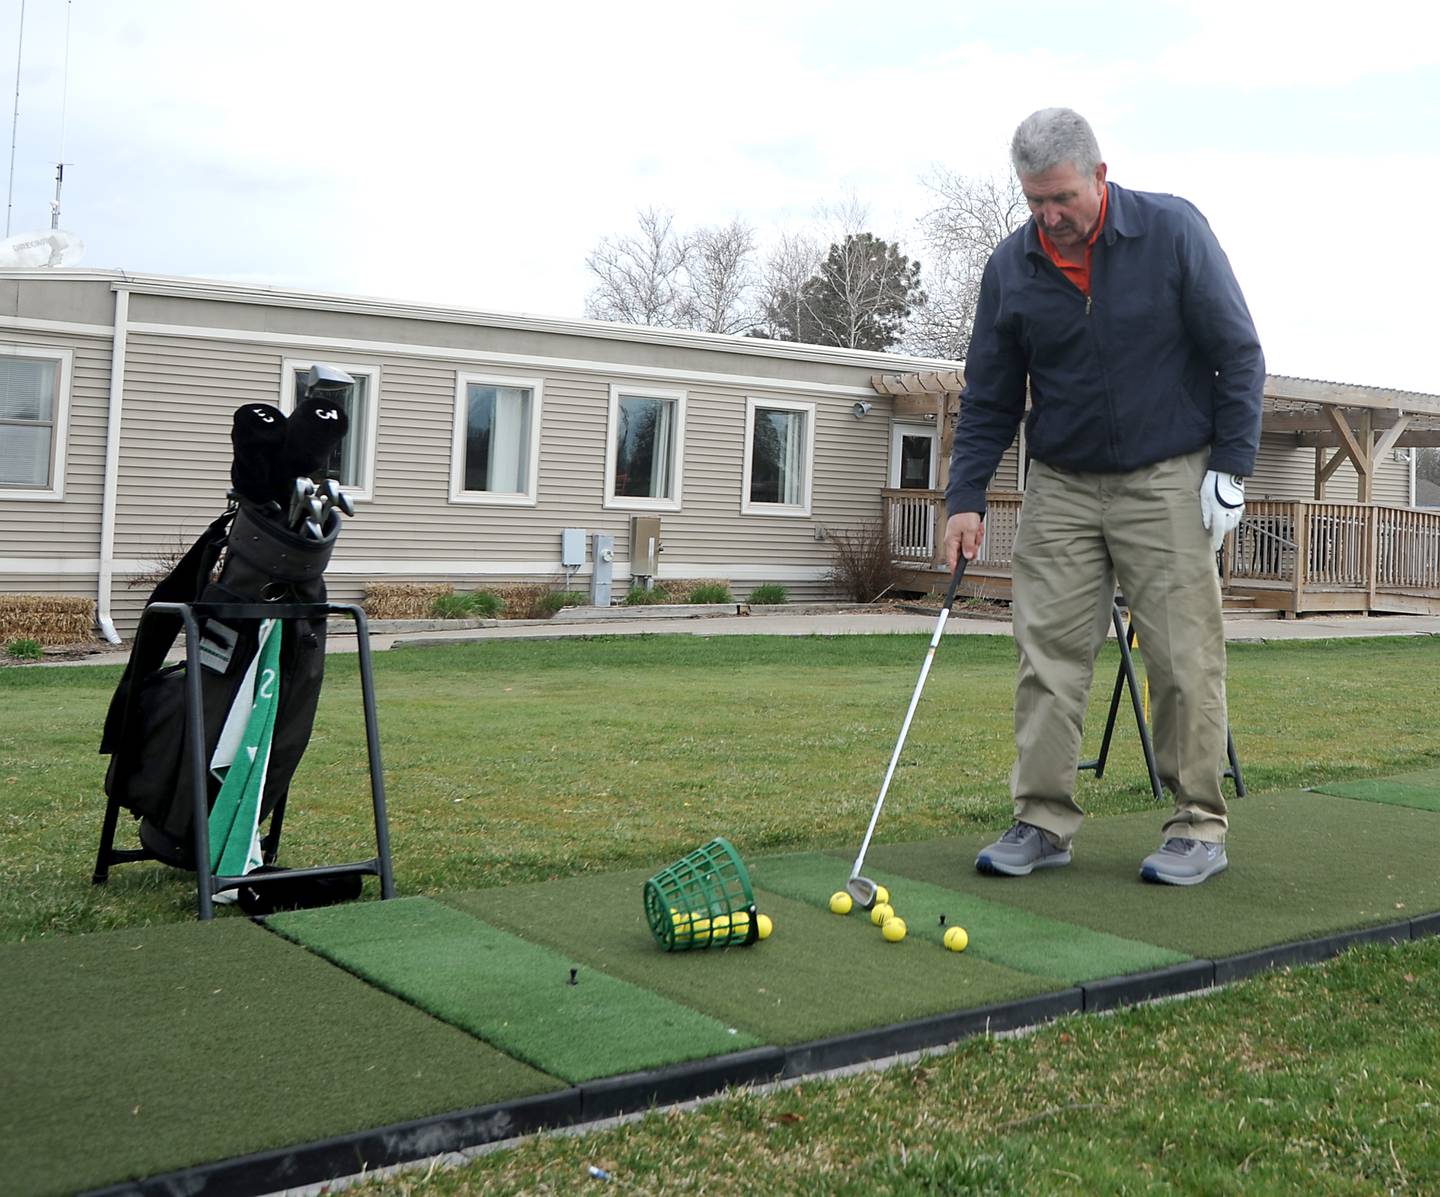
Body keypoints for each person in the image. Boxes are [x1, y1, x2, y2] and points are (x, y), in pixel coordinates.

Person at [945, 107, 1264, 886]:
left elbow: (1238, 352)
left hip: (1166, 476)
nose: (1049, 218)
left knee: (1183, 655)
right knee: (1045, 655)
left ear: (1099, 176)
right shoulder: (1011, 267)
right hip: (1059, 483)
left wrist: (1232, 465)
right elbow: (989, 395)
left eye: (1061, 199)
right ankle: (1042, 820)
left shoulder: (1173, 232)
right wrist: (965, 497)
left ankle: (1197, 825)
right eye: (1034, 203)